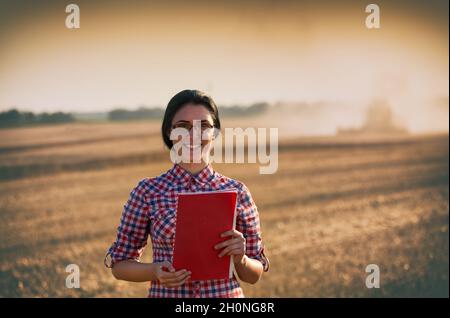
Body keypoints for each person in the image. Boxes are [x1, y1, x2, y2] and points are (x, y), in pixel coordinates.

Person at [104, 89, 269, 297]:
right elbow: (119, 265)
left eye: (204, 127)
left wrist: (241, 258)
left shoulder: (238, 192)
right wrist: (154, 271)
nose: (193, 136)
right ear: (169, 132)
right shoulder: (147, 191)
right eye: (183, 127)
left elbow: (254, 275)